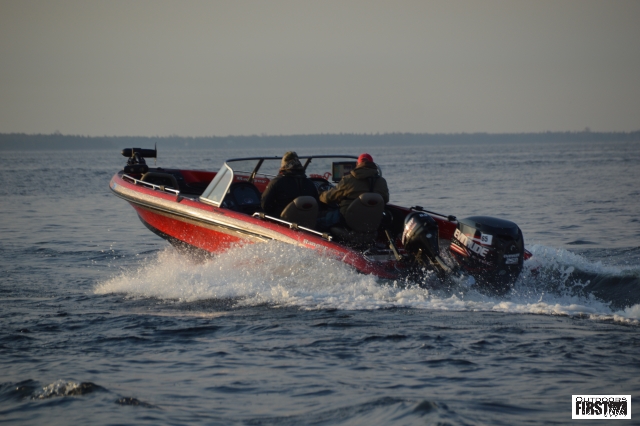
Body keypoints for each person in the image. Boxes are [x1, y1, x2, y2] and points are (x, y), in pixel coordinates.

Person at [318, 153, 389, 229]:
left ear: (357, 164)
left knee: (318, 221)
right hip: (372, 220)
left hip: (347, 220)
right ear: (372, 164)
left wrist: (320, 194)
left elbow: (328, 198)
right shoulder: (382, 181)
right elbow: (385, 199)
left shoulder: (348, 180)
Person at [261, 151, 319, 217]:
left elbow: (264, 205)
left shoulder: (276, 182)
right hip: (309, 220)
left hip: (282, 221)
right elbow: (317, 205)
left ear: (283, 165)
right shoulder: (310, 183)